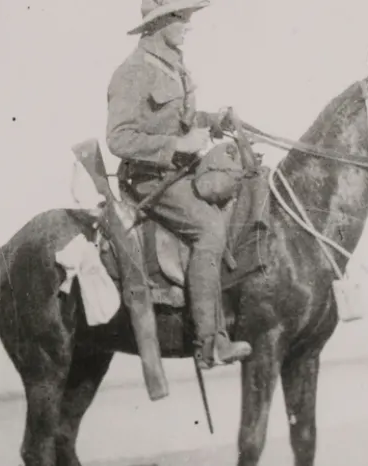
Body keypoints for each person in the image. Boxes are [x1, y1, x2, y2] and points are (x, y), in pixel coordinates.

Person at [105, 0, 252, 369]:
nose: (189, 25)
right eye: (183, 18)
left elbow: (181, 121)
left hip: (178, 173)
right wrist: (176, 146)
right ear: (161, 23)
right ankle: (210, 342)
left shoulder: (174, 67)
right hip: (148, 180)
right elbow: (119, 138)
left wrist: (214, 121)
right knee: (209, 228)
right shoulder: (133, 71)